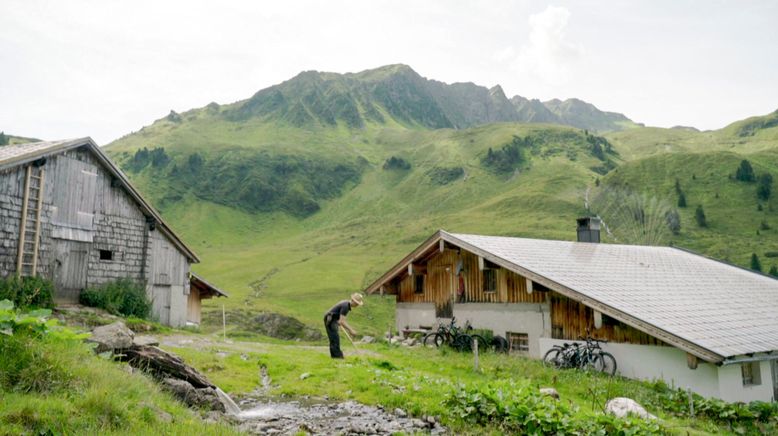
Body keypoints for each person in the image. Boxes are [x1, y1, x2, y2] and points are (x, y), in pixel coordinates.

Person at [323, 293, 363, 358]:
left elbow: (340, 319)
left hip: (333, 319)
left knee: (334, 338)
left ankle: (335, 356)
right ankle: (337, 357)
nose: (357, 305)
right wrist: (351, 330)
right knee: (334, 338)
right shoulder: (346, 306)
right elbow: (342, 321)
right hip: (330, 319)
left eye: (358, 303)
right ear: (352, 300)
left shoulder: (346, 304)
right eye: (356, 303)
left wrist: (339, 321)